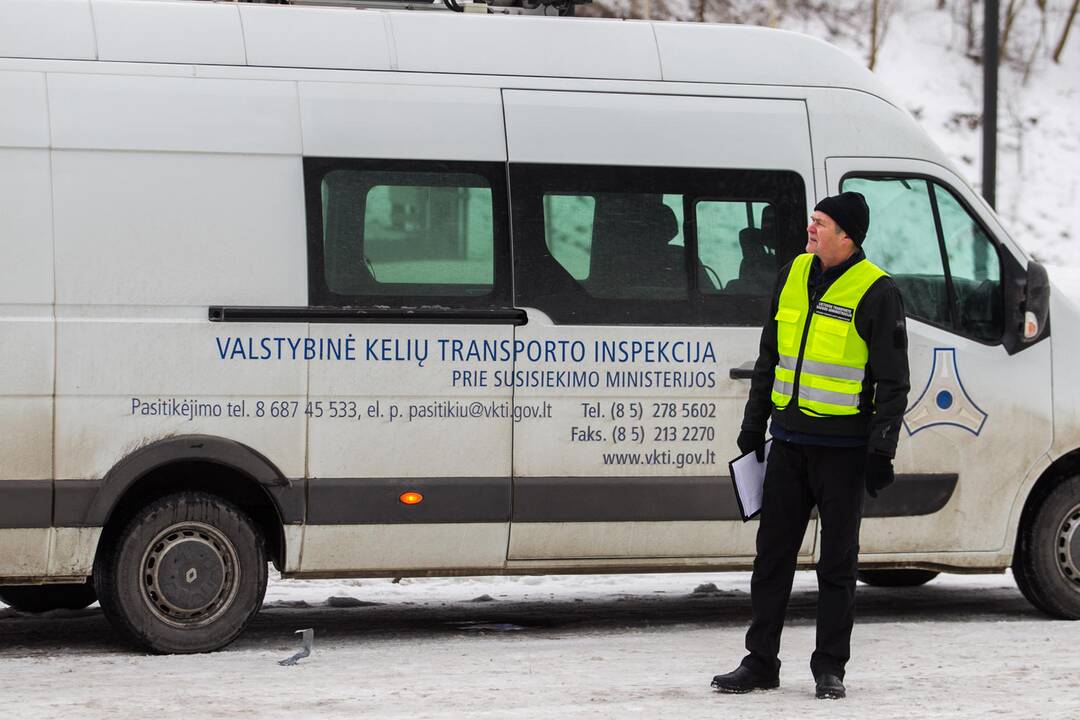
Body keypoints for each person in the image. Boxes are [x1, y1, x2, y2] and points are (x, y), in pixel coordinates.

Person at [711, 191, 910, 700]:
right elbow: (769, 355)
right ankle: (760, 663)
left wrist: (881, 449)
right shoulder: (793, 274)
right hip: (789, 444)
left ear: (847, 235)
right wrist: (754, 427)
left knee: (837, 565)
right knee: (771, 558)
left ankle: (829, 669)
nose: (810, 228)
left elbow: (892, 382)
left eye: (820, 222)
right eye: (812, 220)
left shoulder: (877, 290)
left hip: (841, 452)